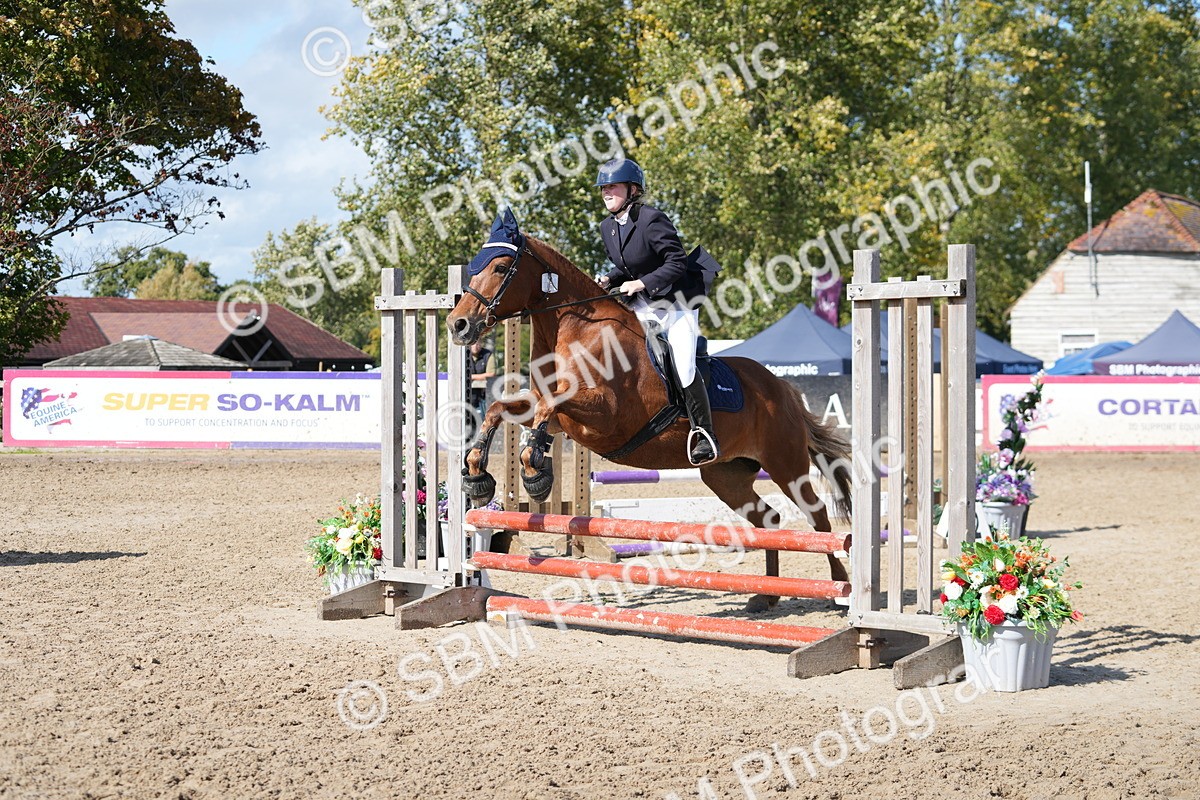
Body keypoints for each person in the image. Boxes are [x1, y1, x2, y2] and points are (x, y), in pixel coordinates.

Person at [594, 157, 718, 465]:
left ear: (633, 190)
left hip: (676, 304)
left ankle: (704, 433)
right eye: (604, 188)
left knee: (683, 365)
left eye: (613, 187)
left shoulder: (652, 219)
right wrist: (610, 278)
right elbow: (628, 265)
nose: (607, 192)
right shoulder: (607, 227)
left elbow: (676, 263)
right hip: (643, 304)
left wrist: (640, 283)